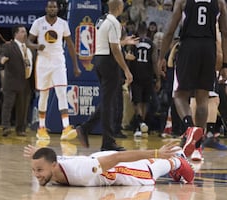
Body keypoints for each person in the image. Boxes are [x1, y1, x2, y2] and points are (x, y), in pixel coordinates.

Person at [158, 0, 227, 158]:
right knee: (202, 98)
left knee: (179, 95)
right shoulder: (219, 2)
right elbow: (226, 33)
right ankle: (197, 147)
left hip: (189, 46)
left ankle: (190, 127)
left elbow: (170, 30)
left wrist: (161, 56)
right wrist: (225, 64)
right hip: (209, 48)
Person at [76, 0, 136, 151]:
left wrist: (123, 42)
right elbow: (115, 49)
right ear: (119, 7)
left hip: (99, 59)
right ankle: (107, 142)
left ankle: (86, 128)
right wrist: (126, 70)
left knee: (109, 101)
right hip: (109, 62)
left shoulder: (102, 19)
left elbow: (109, 43)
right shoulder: (114, 22)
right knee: (110, 103)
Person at [23, 141, 195, 186]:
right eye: (34, 170)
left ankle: (176, 161)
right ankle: (177, 151)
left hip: (113, 168)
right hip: (98, 160)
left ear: (52, 166)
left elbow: (119, 157)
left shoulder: (80, 172)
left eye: (39, 170)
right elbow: (54, 157)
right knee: (146, 165)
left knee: (148, 173)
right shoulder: (52, 164)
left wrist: (157, 153)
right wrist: (40, 152)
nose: (36, 174)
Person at [27, 0, 81, 141]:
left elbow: (70, 45)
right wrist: (37, 47)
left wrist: (75, 66)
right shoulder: (38, 23)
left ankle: (66, 128)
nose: (52, 9)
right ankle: (42, 128)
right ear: (46, 8)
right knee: (44, 95)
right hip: (43, 62)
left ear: (58, 9)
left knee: (62, 93)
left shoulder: (63, 24)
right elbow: (28, 42)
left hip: (58, 62)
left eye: (54, 7)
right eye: (50, 6)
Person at [0, 25, 33, 137]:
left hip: (26, 82)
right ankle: (5, 127)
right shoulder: (9, 46)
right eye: (22, 31)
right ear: (16, 34)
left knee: (23, 107)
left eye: (25, 31)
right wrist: (2, 59)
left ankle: (20, 128)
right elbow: (2, 55)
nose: (25, 33)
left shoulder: (29, 48)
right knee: (8, 105)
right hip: (12, 81)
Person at [128, 22, 161, 137]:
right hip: (148, 76)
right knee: (145, 102)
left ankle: (139, 124)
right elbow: (155, 62)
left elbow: (129, 58)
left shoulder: (133, 43)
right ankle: (142, 123)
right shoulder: (152, 44)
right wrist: (158, 78)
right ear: (147, 31)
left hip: (135, 75)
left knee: (136, 102)